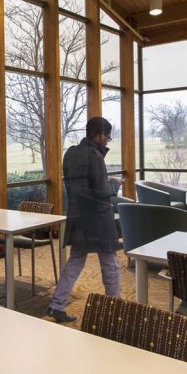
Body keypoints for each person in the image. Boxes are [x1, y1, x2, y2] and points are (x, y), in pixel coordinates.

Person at [46, 116, 121, 323]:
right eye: (107, 136)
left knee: (75, 262)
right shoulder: (95, 156)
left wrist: (104, 183)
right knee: (111, 265)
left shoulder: (70, 153)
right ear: (99, 134)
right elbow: (100, 191)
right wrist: (114, 184)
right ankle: (117, 310)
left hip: (78, 217)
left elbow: (82, 184)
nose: (107, 140)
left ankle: (57, 304)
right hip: (97, 219)